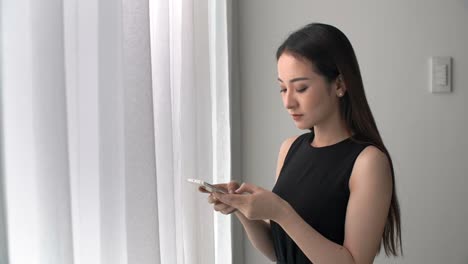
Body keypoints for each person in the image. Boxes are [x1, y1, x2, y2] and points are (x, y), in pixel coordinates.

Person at [199, 23, 403, 263]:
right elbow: (279, 252)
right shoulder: (289, 148)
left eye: (301, 88)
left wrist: (281, 212)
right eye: (283, 89)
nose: (288, 102)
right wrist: (241, 207)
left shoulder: (368, 162)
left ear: (339, 84)